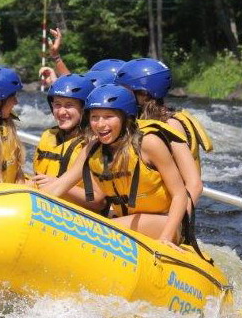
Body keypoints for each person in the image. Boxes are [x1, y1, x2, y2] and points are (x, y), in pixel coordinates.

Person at [38, 84, 190, 249]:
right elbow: (59, 186)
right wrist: (30, 200)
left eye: (108, 116)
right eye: (95, 117)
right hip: (125, 220)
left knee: (96, 229)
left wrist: (165, 239)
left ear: (125, 118)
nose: (100, 124)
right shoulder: (92, 148)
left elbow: (180, 194)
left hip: (166, 223)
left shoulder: (148, 143)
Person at [114, 58, 212, 204]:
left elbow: (194, 185)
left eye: (124, 91)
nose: (119, 96)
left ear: (144, 94)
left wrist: (179, 221)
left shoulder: (170, 125)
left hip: (166, 214)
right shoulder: (138, 119)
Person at [31, 74, 103, 211]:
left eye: (69, 105)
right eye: (57, 105)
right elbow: (36, 179)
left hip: (78, 217)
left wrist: (58, 184)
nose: (62, 112)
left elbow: (98, 202)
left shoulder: (93, 144)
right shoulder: (48, 136)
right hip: (45, 207)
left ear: (84, 109)